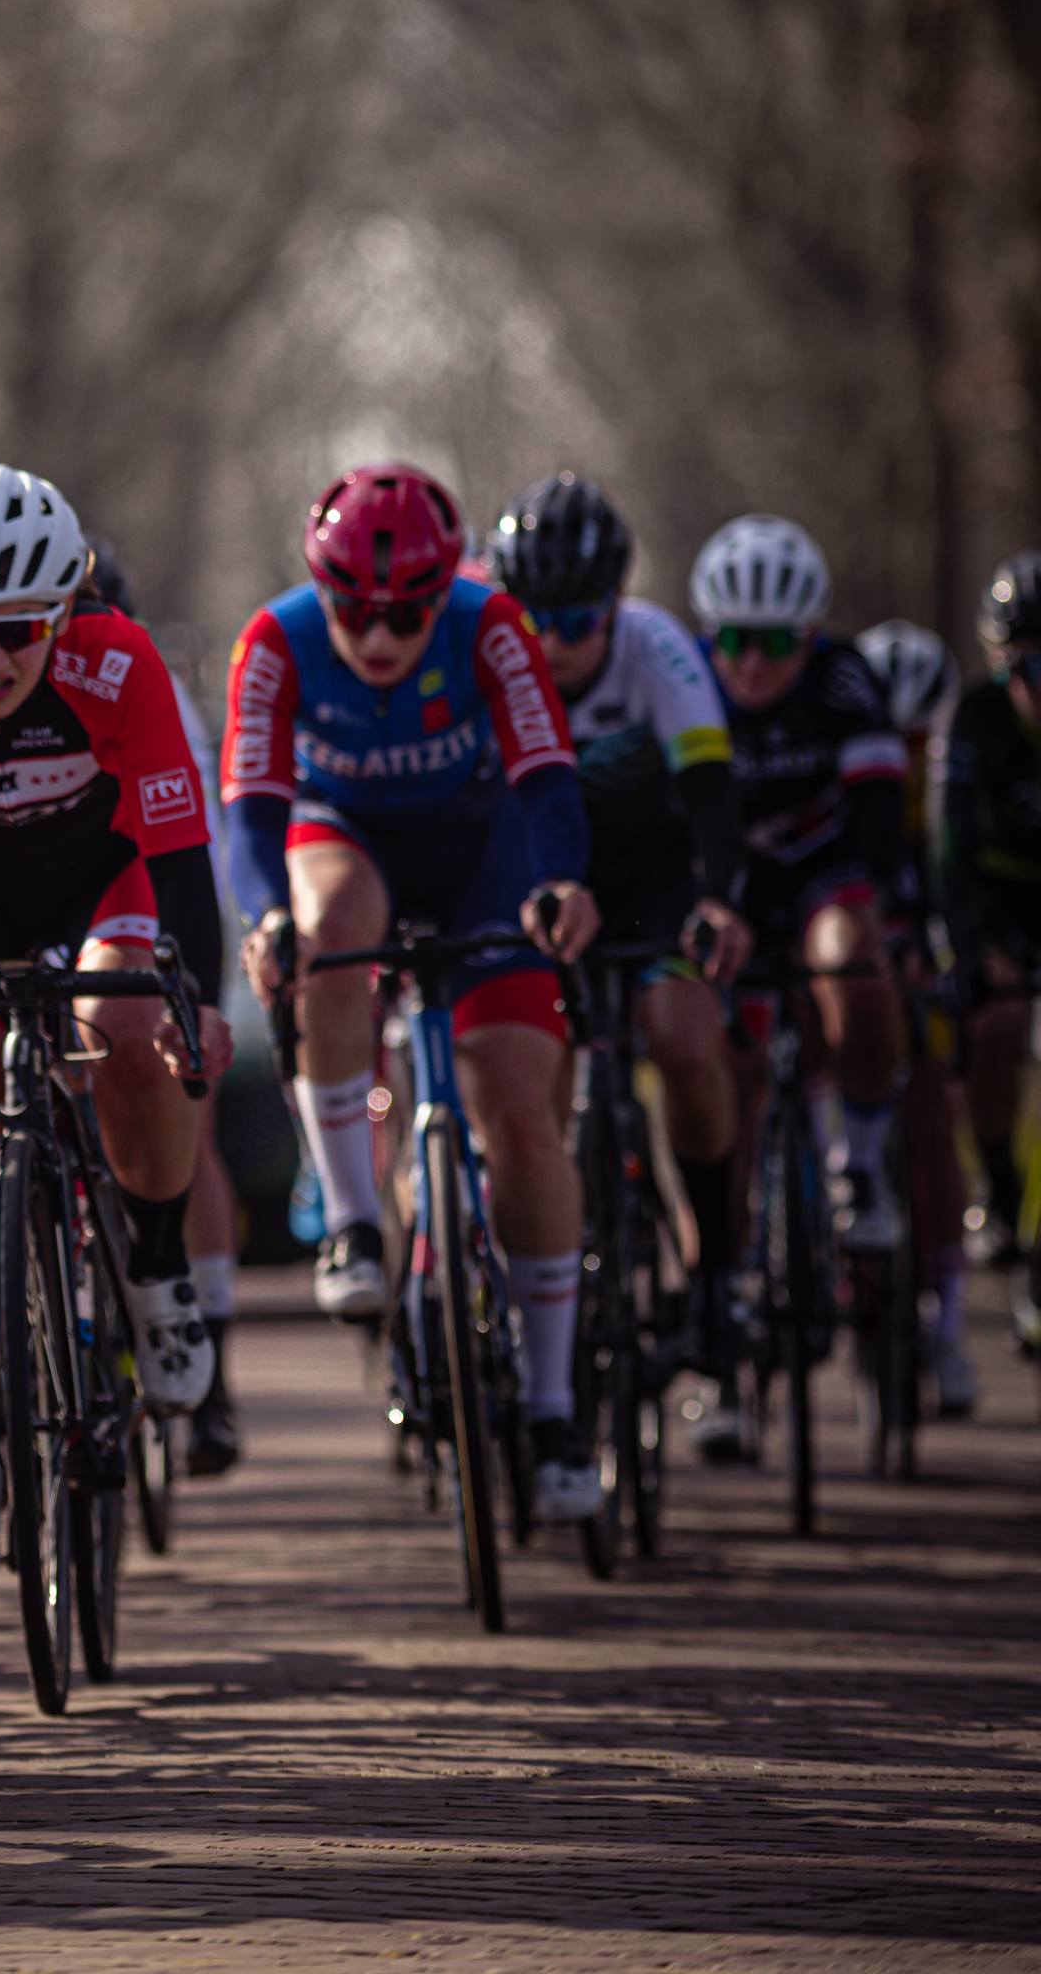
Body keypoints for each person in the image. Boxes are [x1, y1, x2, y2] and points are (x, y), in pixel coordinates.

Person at [222, 462, 604, 1522]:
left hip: (481, 853)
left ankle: (548, 1404)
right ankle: (352, 1220)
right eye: (353, 608)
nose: (378, 636)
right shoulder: (273, 639)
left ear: (446, 589)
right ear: (319, 589)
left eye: (404, 612)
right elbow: (250, 808)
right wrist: (264, 919)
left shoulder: (491, 625)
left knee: (520, 1118)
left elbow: (544, 773)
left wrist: (563, 882)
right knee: (325, 930)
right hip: (343, 839)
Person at [0, 467, 233, 1561]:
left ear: (64, 611)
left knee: (127, 1032)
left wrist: (197, 1003)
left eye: (18, 632)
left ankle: (157, 1265)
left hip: (105, 878)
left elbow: (179, 860)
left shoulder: (116, 660)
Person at [491, 474, 753, 1455]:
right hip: (531, 892)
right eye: (533, 620)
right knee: (528, 1089)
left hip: (647, 882)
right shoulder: (487, 649)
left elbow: (711, 794)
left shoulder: (655, 649)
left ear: (612, 605)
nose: (551, 644)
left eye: (575, 620)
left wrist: (719, 900)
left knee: (685, 1043)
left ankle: (716, 1274)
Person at [690, 515, 909, 1249]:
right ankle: (725, 1267)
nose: (753, 662)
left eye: (778, 641)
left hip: (824, 870)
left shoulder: (844, 676)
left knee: (858, 967)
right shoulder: (682, 679)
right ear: (708, 635)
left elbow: (881, 805)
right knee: (730, 1080)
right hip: (732, 885)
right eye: (734, 640)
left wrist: (880, 903)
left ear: (810, 637)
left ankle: (863, 1166)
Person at [86, 539, 244, 1478]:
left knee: (186, 1108)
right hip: (20, 899)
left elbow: (196, 853)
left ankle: (210, 1366)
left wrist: (187, 998)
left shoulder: (140, 684)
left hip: (139, 886)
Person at [857, 617, 975, 1412]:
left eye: (918, 737)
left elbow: (956, 881)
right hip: (866, 936)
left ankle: (953, 1322)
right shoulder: (851, 766)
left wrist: (949, 961)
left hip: (926, 938)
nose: (904, 753)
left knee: (933, 1107)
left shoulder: (950, 779)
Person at [936, 554, 1041, 1341]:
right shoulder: (973, 719)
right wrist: (975, 947)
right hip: (997, 904)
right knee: (996, 1025)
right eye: (1024, 662)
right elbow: (948, 852)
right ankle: (1000, 1181)